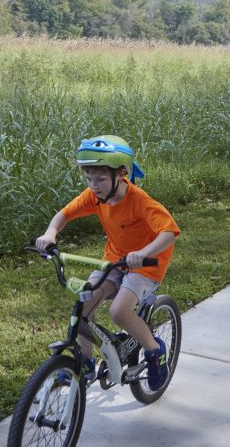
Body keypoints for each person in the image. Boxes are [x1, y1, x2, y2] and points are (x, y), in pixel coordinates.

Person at [34, 135, 178, 390]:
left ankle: (155, 352)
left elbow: (168, 232)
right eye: (88, 179)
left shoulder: (140, 201)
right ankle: (86, 362)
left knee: (119, 311)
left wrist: (143, 252)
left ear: (121, 174)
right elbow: (64, 214)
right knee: (84, 302)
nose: (93, 185)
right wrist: (50, 233)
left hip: (146, 264)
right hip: (114, 261)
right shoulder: (95, 196)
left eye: (100, 179)